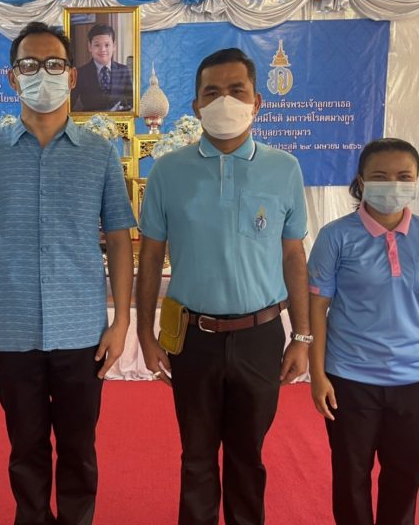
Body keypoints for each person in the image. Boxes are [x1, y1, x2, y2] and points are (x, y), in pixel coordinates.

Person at [0, 21, 136, 525]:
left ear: (72, 76)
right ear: (13, 77)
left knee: (79, 448)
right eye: (29, 65)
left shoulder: (99, 154)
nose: (43, 74)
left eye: (54, 64)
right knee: (25, 447)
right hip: (12, 332)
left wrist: (121, 320)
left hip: (81, 332)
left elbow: (120, 239)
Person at [136, 47, 312, 525]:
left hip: (260, 335)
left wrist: (302, 336)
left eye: (237, 90)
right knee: (196, 456)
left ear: (257, 102)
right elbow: (149, 256)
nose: (225, 101)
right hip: (192, 337)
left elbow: (293, 256)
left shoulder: (284, 168)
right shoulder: (168, 170)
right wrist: (146, 334)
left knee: (247, 456)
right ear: (196, 106)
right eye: (212, 93)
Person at [307, 138, 419, 525]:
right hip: (350, 381)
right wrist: (318, 374)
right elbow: (317, 309)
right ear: (361, 181)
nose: (392, 184)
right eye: (380, 176)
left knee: (404, 479)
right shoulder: (335, 236)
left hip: (418, 382)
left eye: (404, 177)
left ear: (417, 180)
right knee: (351, 478)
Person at [70, 23, 133, 112]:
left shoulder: (123, 70)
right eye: (97, 45)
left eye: (107, 45)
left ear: (114, 46)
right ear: (89, 46)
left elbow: (132, 102)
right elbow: (69, 106)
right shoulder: (79, 73)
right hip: (89, 120)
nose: (103, 49)